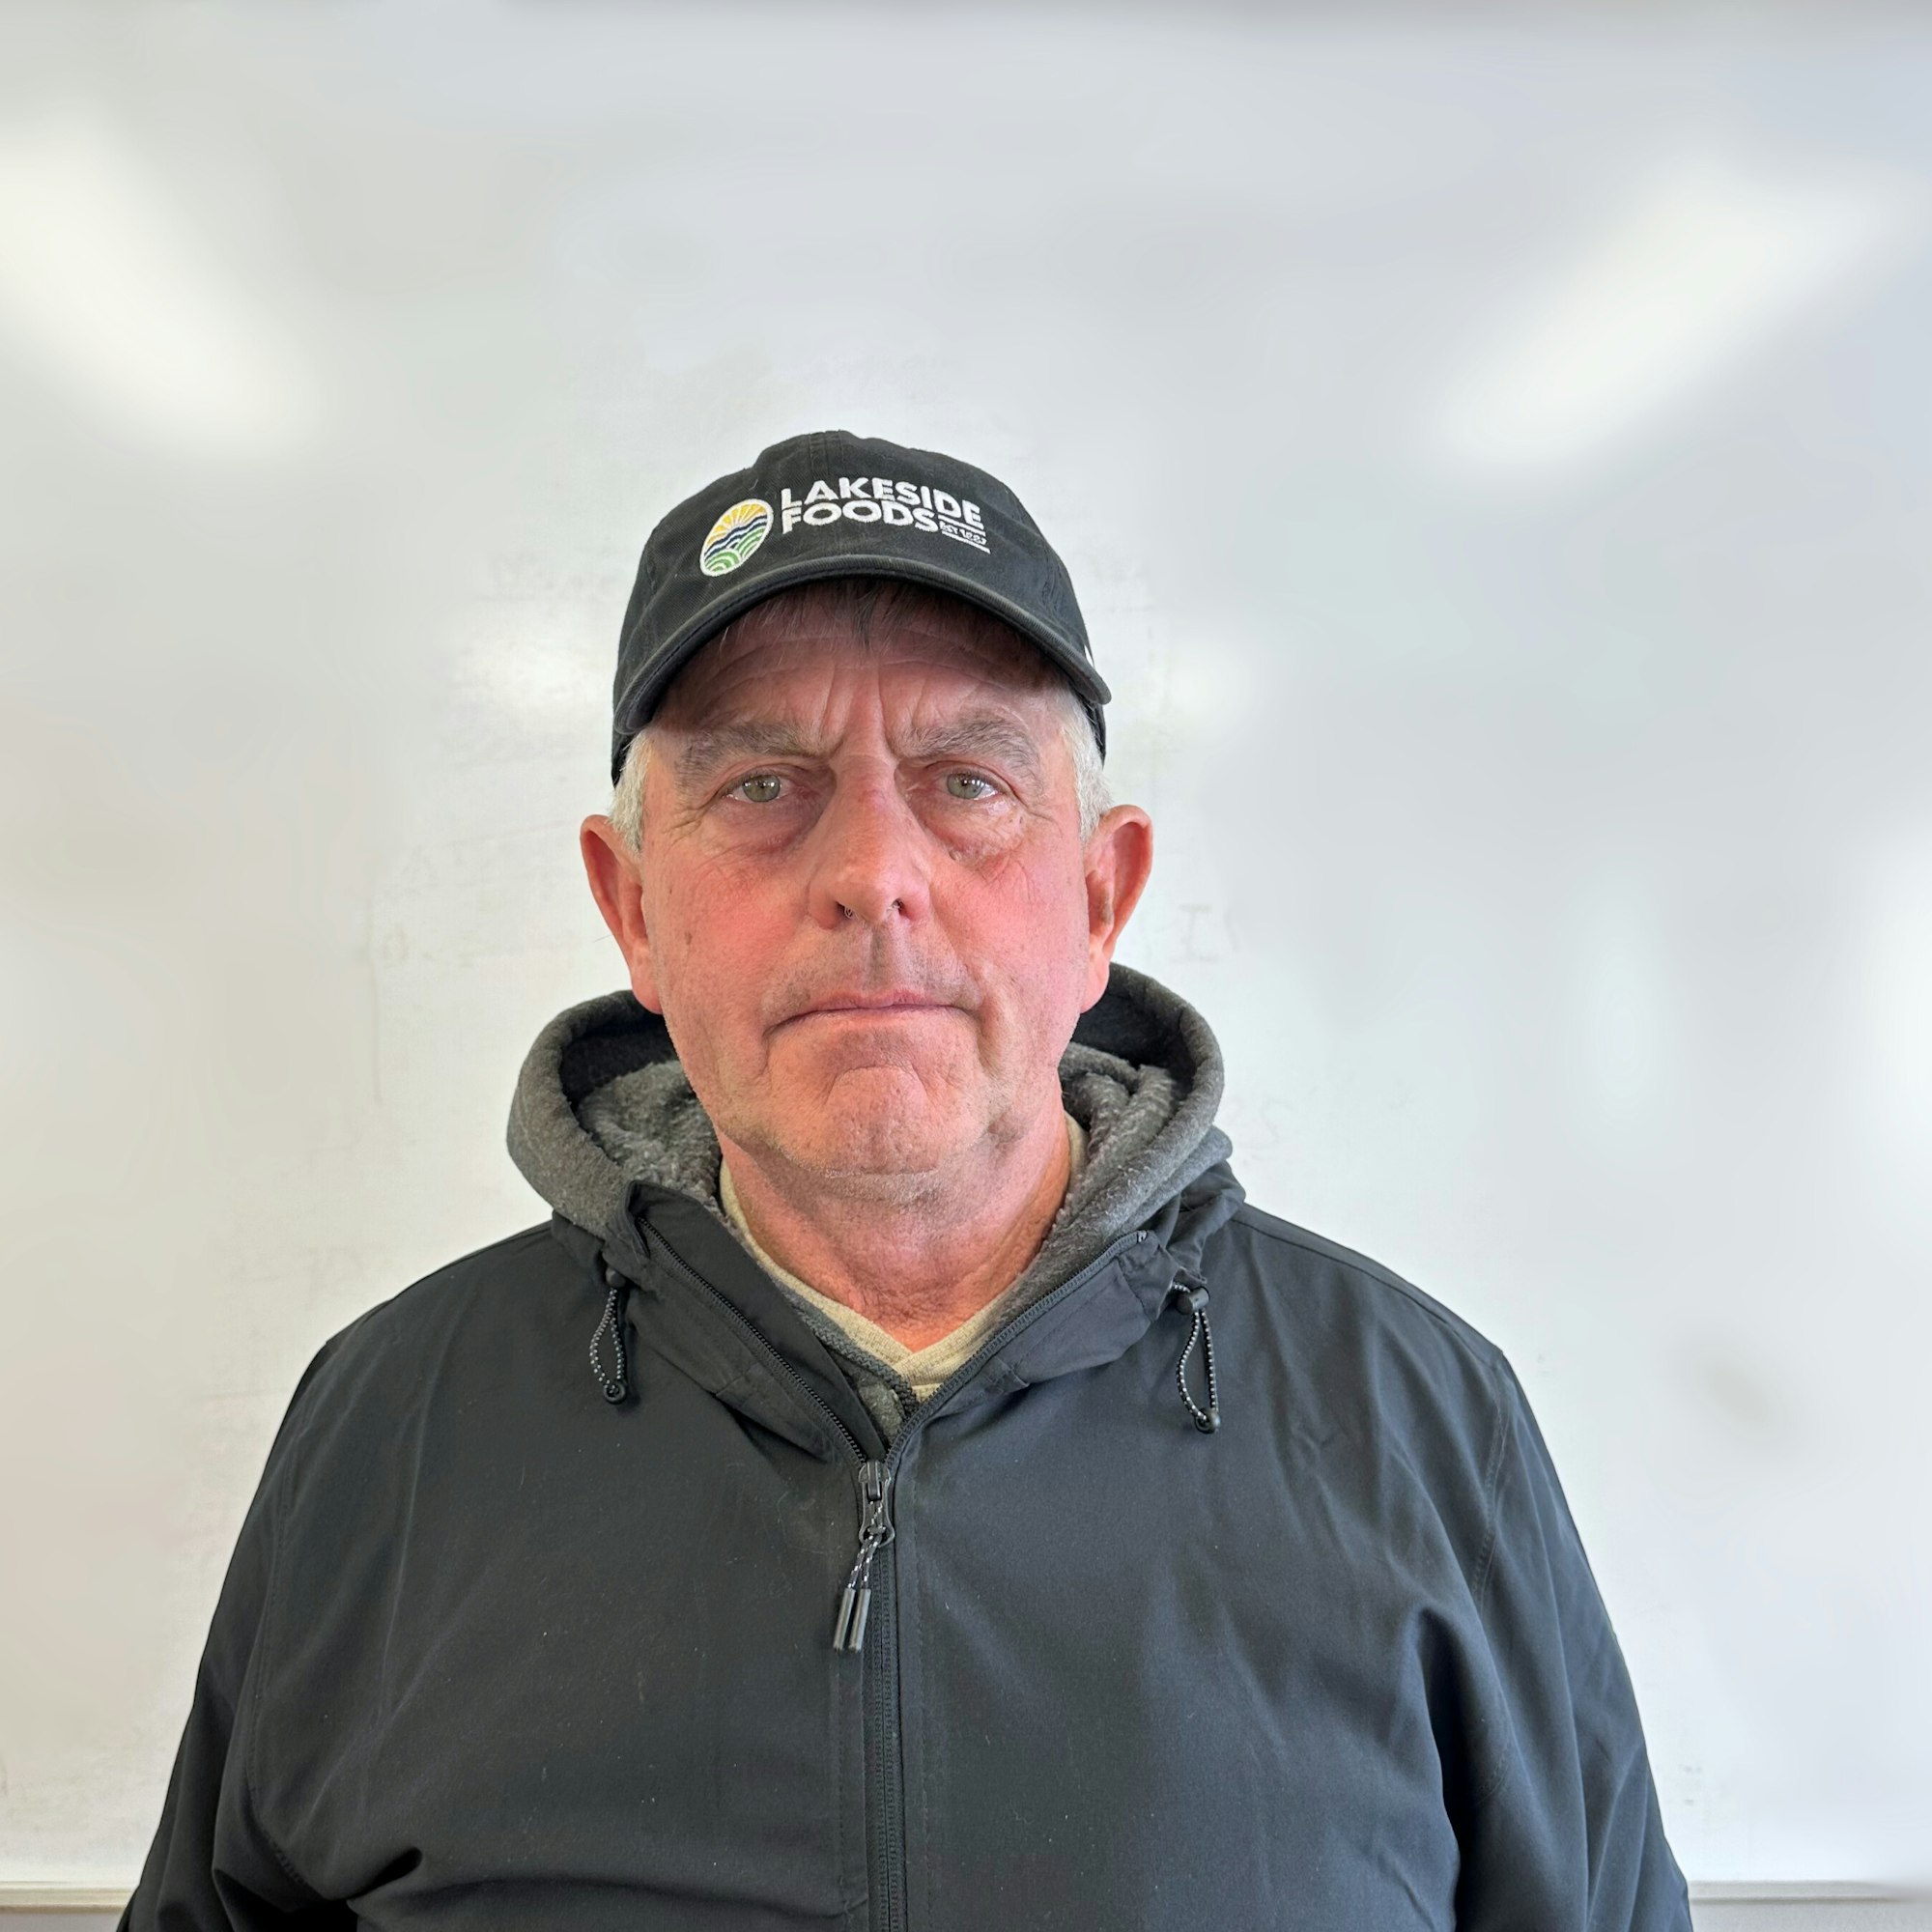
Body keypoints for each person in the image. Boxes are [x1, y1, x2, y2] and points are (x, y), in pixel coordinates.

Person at [120, 429, 1692, 1930]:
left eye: (967, 781)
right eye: (760, 787)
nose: (873, 870)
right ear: (634, 909)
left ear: (1100, 896)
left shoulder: (1422, 1423)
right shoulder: (388, 1427)